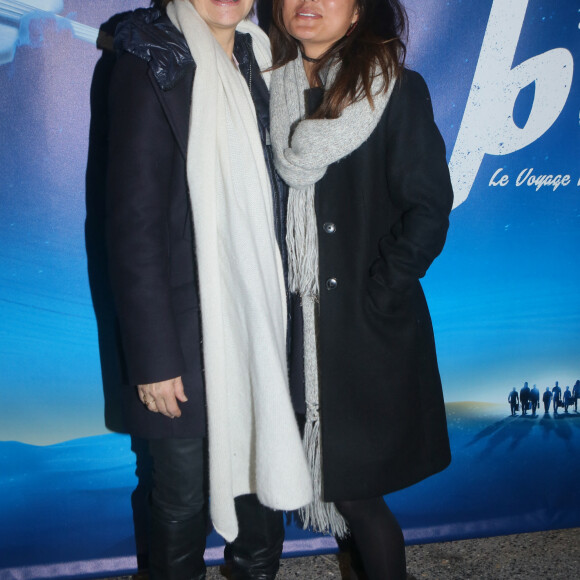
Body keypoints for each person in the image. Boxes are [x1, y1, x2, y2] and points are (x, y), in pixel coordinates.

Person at [105, 0, 313, 578]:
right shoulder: (153, 59)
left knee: (261, 480)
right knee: (179, 498)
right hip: (180, 328)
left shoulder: (268, 60)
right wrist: (152, 357)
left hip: (263, 318)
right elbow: (134, 221)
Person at [269, 0, 453, 577]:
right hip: (289, 326)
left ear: (357, 14)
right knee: (306, 479)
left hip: (363, 327)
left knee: (356, 495)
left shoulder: (393, 90)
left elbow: (429, 208)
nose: (308, 4)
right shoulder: (266, 90)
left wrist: (383, 288)